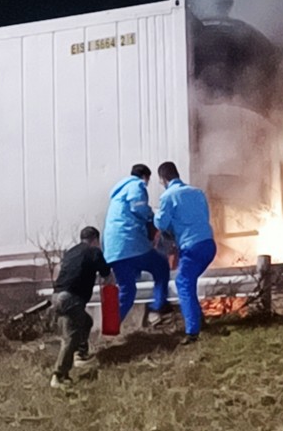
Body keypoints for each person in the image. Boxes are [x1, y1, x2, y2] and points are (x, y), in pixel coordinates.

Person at [153, 161, 216, 344]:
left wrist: (157, 216)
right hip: (208, 244)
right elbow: (204, 217)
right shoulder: (197, 192)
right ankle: (199, 320)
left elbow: (161, 224)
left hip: (191, 247)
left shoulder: (168, 196)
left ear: (163, 179)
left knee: (183, 282)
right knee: (189, 280)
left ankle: (192, 332)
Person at [103, 163, 172, 325]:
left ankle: (110, 327)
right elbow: (138, 207)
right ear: (145, 177)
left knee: (127, 291)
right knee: (161, 265)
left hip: (114, 251)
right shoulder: (136, 185)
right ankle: (157, 308)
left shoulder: (118, 193)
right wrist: (152, 216)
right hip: (130, 244)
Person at [50, 226, 112, 389]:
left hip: (56, 297)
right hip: (71, 298)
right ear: (95, 240)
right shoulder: (93, 251)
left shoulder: (71, 252)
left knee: (86, 322)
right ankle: (58, 376)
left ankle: (80, 355)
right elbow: (106, 273)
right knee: (71, 337)